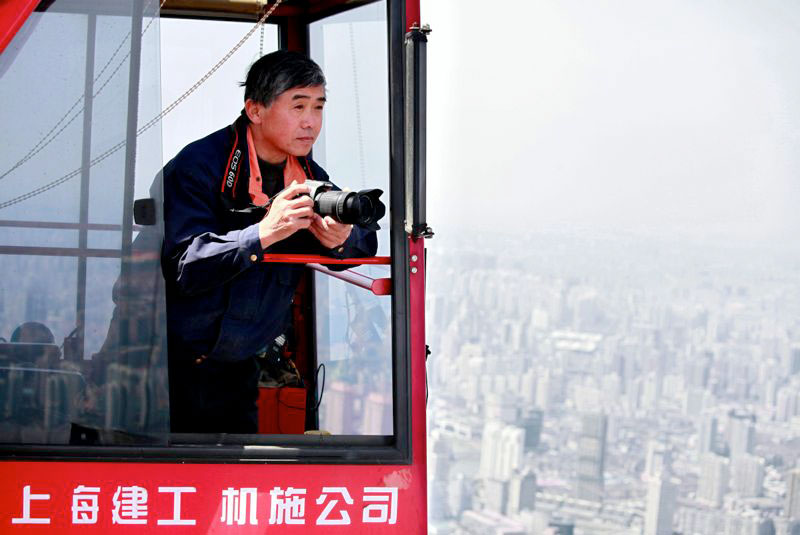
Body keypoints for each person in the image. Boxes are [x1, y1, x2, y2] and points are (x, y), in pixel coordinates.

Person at [161, 50, 377, 433]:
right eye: (298, 106)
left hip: (239, 366)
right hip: (167, 365)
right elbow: (184, 266)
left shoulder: (308, 175)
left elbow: (363, 241)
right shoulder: (200, 167)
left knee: (229, 488)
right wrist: (263, 233)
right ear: (255, 110)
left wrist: (341, 239)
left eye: (318, 107)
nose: (311, 122)